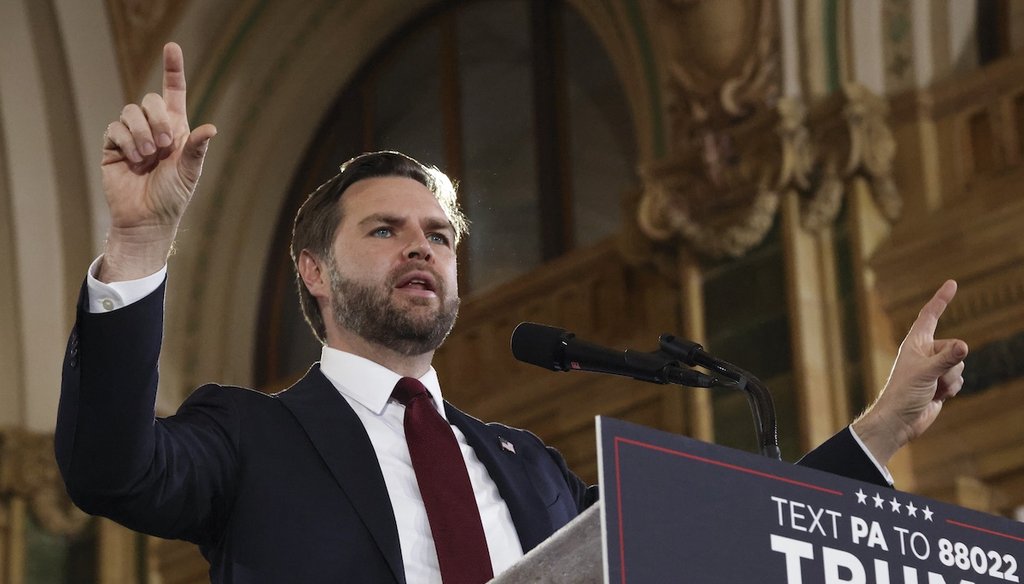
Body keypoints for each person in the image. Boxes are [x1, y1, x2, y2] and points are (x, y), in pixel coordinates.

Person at [56, 43, 968, 584]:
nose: (422, 248)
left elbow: (711, 547)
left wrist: (881, 430)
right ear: (314, 273)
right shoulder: (250, 437)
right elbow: (112, 468)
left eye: (439, 236)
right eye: (384, 230)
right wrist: (140, 243)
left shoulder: (528, 468)